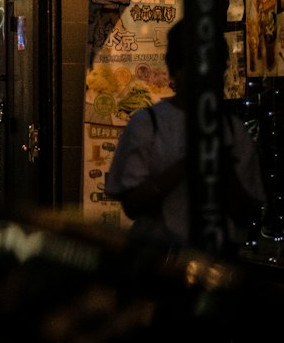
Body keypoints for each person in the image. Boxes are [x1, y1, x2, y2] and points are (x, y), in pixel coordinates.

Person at [104, 20, 265, 253]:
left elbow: (246, 212)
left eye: (216, 67)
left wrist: (222, 166)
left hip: (216, 257)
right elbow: (132, 205)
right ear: (177, 71)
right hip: (160, 258)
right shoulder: (148, 125)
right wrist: (186, 166)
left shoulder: (232, 129)